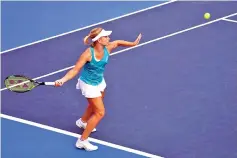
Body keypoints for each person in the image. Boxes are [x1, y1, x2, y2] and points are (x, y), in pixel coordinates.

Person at [55, 27, 142, 151]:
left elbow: (118, 42)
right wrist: (63, 79)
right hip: (88, 84)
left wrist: (133, 44)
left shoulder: (108, 48)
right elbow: (75, 70)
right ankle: (82, 141)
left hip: (99, 81)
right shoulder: (87, 54)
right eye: (106, 37)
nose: (109, 38)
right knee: (100, 112)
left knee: (95, 104)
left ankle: (83, 122)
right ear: (99, 40)